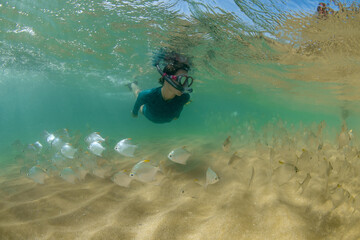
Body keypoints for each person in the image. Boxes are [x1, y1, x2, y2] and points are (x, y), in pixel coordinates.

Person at [129, 52, 193, 124]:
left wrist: (176, 116)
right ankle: (132, 84)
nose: (185, 86)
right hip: (147, 114)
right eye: (181, 79)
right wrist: (134, 113)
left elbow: (179, 108)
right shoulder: (147, 95)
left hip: (166, 119)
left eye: (187, 80)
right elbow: (136, 108)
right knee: (137, 93)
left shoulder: (184, 97)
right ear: (166, 79)